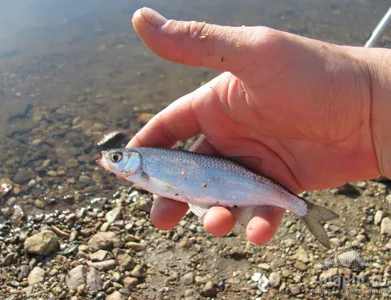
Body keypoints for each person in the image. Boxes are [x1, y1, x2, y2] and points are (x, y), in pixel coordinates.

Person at [126, 7, 391, 245]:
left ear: (133, 162)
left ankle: (303, 209)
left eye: (117, 158)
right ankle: (304, 209)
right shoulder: (144, 166)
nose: (113, 161)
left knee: (201, 218)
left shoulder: (144, 164)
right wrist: (369, 95)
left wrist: (370, 96)